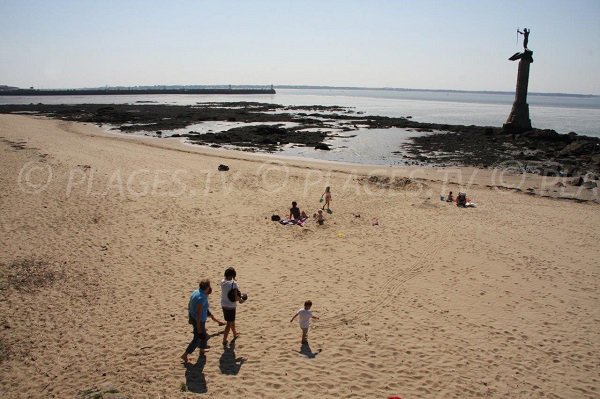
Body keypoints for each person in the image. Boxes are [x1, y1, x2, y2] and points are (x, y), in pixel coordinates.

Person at [181, 279, 224, 363]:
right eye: (209, 286)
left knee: (203, 335)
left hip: (193, 317)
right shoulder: (201, 298)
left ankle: (202, 350)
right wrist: (199, 326)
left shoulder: (196, 292)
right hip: (198, 320)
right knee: (197, 338)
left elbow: (189, 305)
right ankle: (185, 355)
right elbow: (198, 313)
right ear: (207, 287)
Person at [220, 267, 243, 347]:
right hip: (231, 306)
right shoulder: (234, 284)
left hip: (223, 304)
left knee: (232, 321)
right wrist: (241, 300)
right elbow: (236, 296)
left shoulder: (222, 281)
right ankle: (224, 340)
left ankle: (234, 333)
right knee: (229, 323)